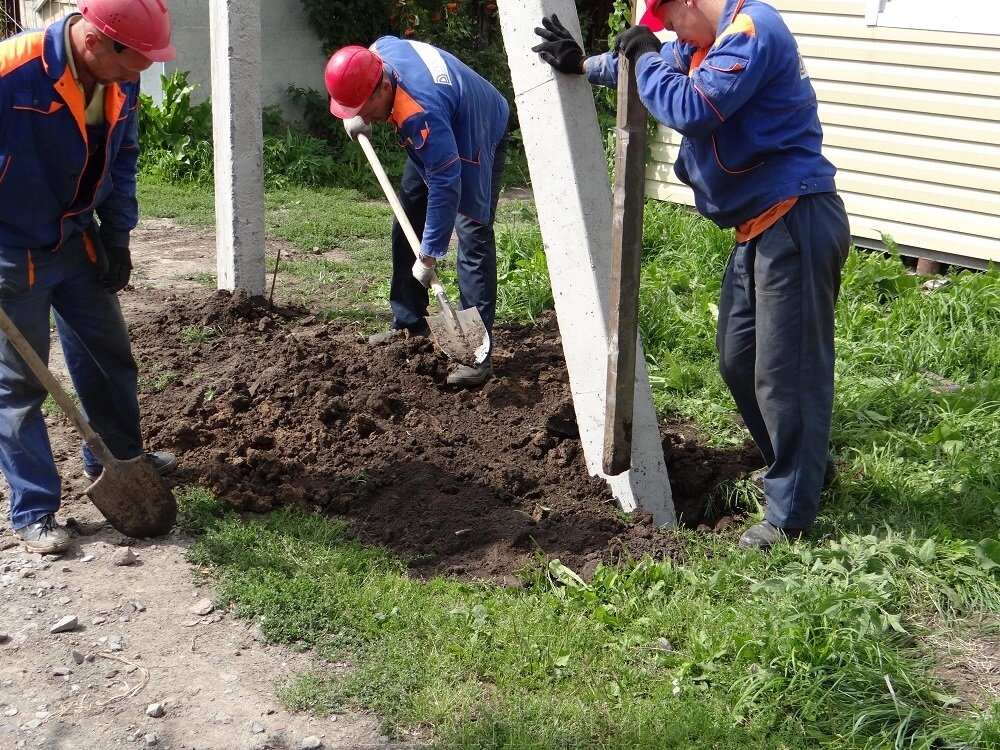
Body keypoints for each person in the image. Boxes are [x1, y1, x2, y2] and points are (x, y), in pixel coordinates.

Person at [533, 0, 850, 548]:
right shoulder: (702, 41)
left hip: (796, 218)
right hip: (759, 227)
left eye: (669, 17)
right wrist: (583, 64)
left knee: (785, 374)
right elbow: (643, 60)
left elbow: (694, 106)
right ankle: (801, 470)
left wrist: (650, 57)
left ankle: (790, 517)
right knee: (739, 358)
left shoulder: (751, 31)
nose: (670, 33)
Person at [0, 0, 179, 554]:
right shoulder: (12, 70)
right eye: (134, 61)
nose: (140, 73)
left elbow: (122, 153)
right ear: (95, 40)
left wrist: (118, 231)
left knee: (108, 357)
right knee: (21, 384)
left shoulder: (115, 80)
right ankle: (34, 509)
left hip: (76, 238)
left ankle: (121, 457)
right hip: (12, 246)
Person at [324, 38, 510, 387]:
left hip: (477, 126)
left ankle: (477, 355)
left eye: (364, 107)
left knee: (472, 233)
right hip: (442, 117)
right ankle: (409, 321)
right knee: (407, 217)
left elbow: (446, 184)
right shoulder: (377, 54)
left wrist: (429, 255)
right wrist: (355, 113)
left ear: (383, 86)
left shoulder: (420, 114)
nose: (363, 115)